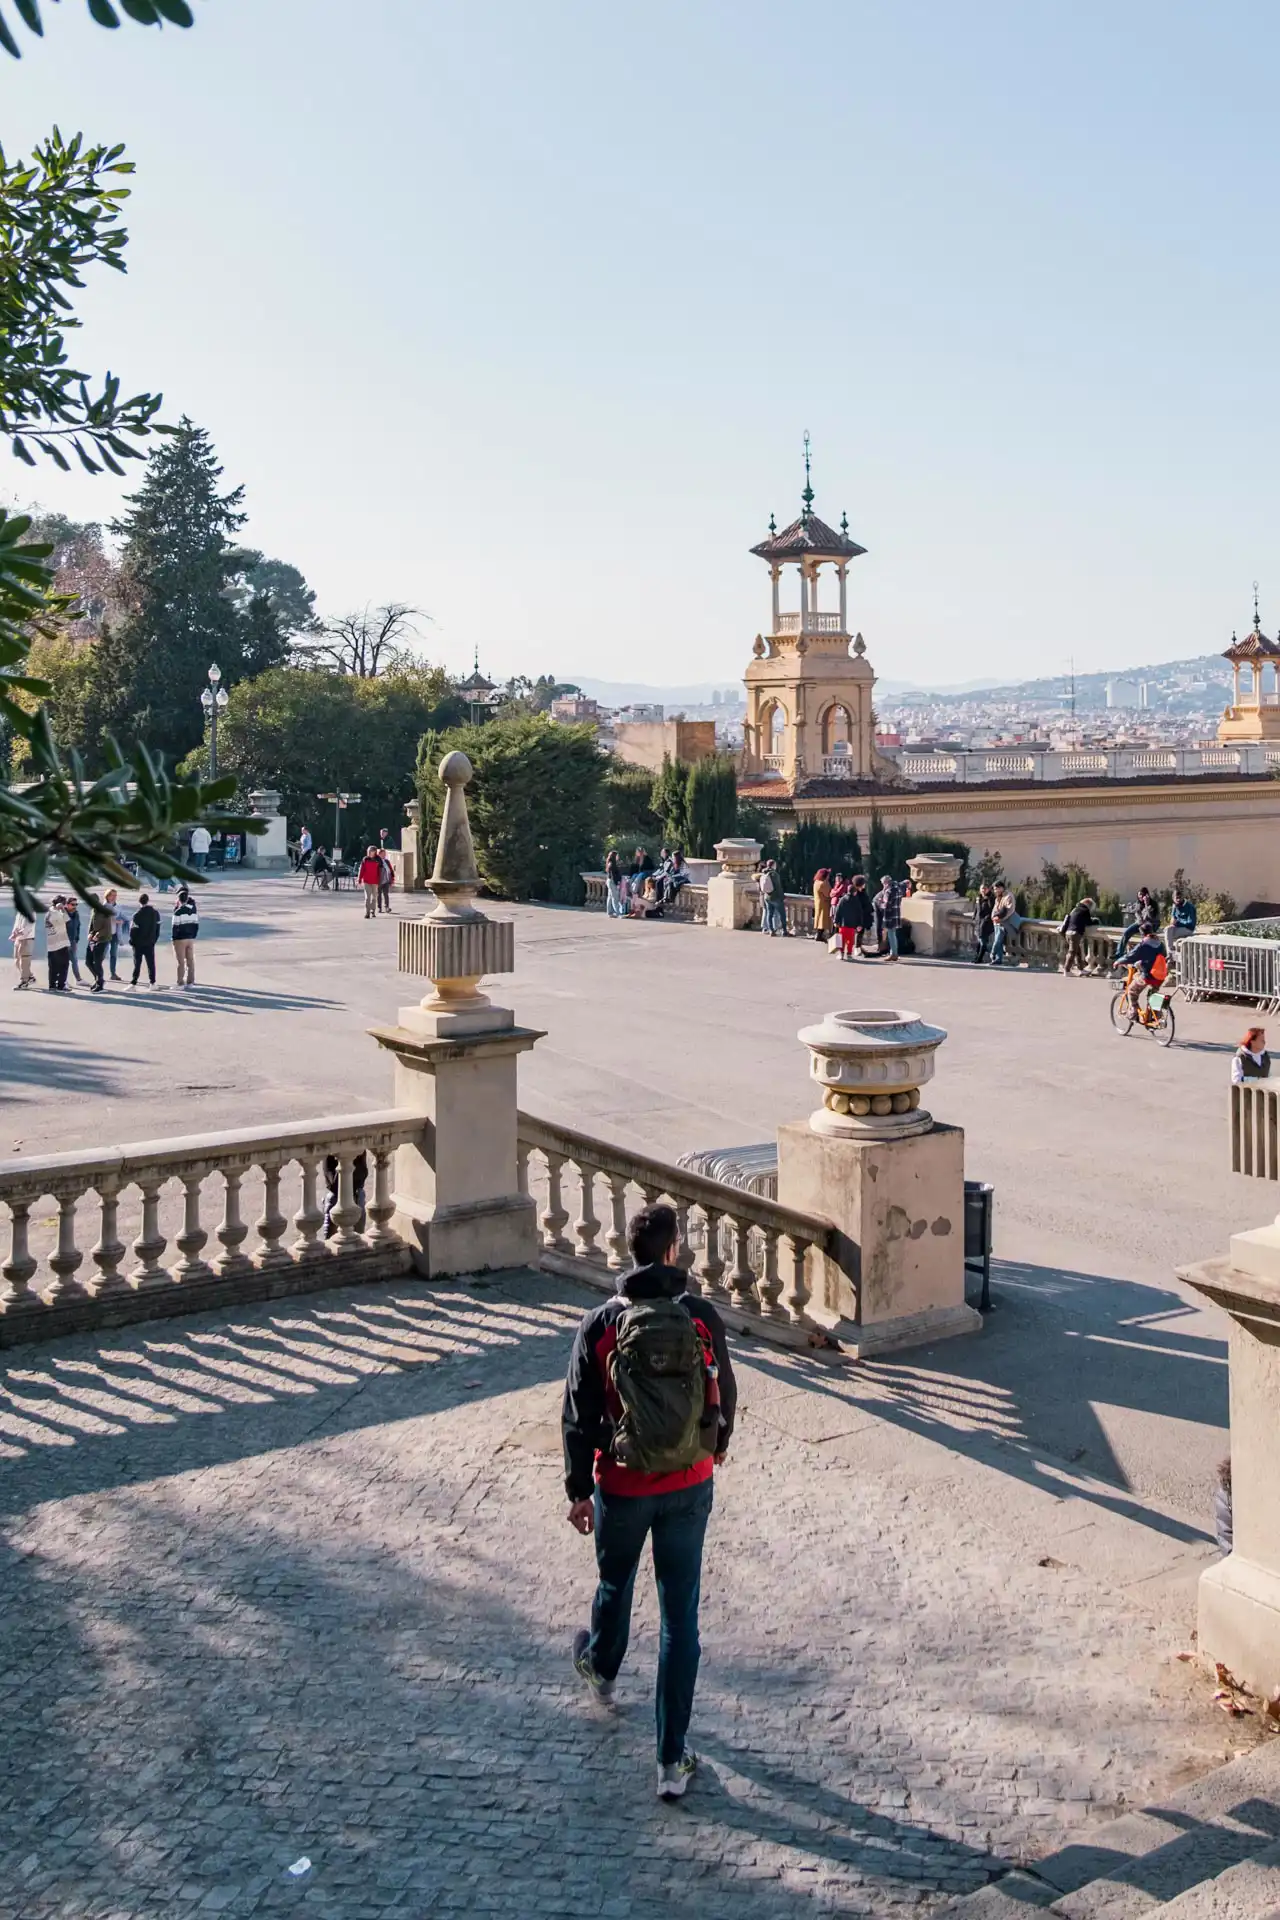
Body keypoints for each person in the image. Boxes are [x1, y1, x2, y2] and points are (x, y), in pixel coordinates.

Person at [562, 1201, 737, 1802]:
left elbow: (578, 1412)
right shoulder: (700, 1316)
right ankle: (670, 1759)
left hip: (622, 1483)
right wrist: (715, 1449)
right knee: (679, 1617)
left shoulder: (601, 1324)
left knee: (615, 1583)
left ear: (631, 1253)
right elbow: (724, 1391)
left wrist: (578, 1490)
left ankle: (602, 1671)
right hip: (688, 1482)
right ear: (672, 1252)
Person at [1122, 927, 1168, 1015]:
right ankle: (1155, 1014)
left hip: (1149, 975)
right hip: (1161, 975)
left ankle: (1133, 1010)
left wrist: (1119, 961)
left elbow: (1131, 956)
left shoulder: (1144, 944)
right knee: (1153, 994)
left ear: (1142, 934)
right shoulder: (1160, 944)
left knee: (1131, 990)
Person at [322, 1151, 368, 1237]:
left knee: (358, 1236)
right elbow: (333, 1183)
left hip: (356, 1195)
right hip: (336, 1197)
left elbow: (363, 1174)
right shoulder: (330, 1152)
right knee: (330, 1237)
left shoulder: (359, 1150)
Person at [128, 891, 161, 988]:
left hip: (138, 943)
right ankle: (152, 982)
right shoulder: (155, 913)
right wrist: (154, 939)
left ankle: (134, 982)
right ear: (148, 901)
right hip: (150, 942)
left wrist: (132, 941)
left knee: (137, 964)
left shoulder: (137, 915)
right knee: (151, 963)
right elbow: (158, 928)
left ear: (139, 902)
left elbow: (133, 930)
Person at [1116, 887, 1157, 960]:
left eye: (1141, 895)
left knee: (1145, 939)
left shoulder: (1153, 904)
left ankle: (1146, 955)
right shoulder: (1138, 904)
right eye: (1139, 895)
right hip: (1139, 923)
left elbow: (1150, 917)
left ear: (1146, 895)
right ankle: (1119, 953)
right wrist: (1124, 906)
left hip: (1150, 924)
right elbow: (1132, 909)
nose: (1140, 896)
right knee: (1126, 933)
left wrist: (1146, 904)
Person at [171, 886, 199, 987]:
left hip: (180, 939)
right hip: (190, 938)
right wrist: (193, 935)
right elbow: (196, 925)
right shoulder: (193, 909)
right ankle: (190, 981)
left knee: (181, 962)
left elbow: (175, 927)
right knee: (190, 960)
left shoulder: (178, 912)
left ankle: (180, 982)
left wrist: (174, 938)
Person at [1061, 896, 1095, 975]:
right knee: (1072, 952)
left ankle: (1081, 969)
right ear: (1088, 904)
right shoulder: (1085, 910)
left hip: (1068, 932)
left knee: (1078, 952)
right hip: (1075, 933)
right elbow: (1089, 922)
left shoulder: (1075, 909)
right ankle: (1067, 970)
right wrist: (1095, 920)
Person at [86, 899, 114, 992]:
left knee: (97, 962)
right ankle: (99, 979)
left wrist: (97, 935)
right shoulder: (93, 910)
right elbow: (92, 924)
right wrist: (90, 933)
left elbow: (107, 928)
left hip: (102, 939)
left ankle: (100, 984)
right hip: (93, 939)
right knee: (88, 962)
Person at [44, 897, 71, 992]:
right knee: (64, 965)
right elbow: (67, 919)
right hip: (60, 943)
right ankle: (61, 985)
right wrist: (62, 909)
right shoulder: (56, 913)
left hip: (51, 944)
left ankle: (52, 985)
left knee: (53, 966)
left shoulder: (48, 913)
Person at [875, 874, 902, 960]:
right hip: (896, 914)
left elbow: (886, 906)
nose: (883, 886)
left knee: (891, 935)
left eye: (883, 884)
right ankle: (894, 952)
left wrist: (879, 902)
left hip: (890, 916)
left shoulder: (888, 891)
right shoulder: (898, 889)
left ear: (886, 883)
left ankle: (893, 953)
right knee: (893, 934)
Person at [991, 888, 1020, 966]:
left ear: (1001, 888)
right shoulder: (998, 897)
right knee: (998, 941)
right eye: (994, 889)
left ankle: (992, 953)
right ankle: (998, 958)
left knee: (997, 940)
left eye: (996, 889)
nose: (995, 891)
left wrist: (1000, 919)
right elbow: (995, 909)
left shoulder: (1008, 896)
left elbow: (1009, 910)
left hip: (1004, 922)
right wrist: (993, 917)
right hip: (997, 922)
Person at [105, 889, 128, 981]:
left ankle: (113, 973)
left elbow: (122, 916)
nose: (114, 897)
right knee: (102, 954)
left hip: (114, 934)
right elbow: (104, 918)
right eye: (112, 895)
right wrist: (116, 921)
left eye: (115, 895)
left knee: (113, 954)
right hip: (105, 933)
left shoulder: (118, 906)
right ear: (107, 896)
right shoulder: (104, 906)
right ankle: (97, 973)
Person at [9, 908, 35, 989]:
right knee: (17, 960)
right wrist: (14, 933)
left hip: (27, 938)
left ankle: (24, 982)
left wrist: (19, 933)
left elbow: (29, 926)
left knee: (24, 961)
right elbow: (16, 924)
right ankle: (30, 976)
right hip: (18, 938)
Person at [972, 884, 996, 964]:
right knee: (979, 941)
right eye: (982, 888)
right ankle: (977, 957)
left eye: (985, 888)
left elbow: (992, 909)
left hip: (986, 922)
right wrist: (974, 916)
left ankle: (979, 958)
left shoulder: (991, 898)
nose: (983, 890)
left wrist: (987, 919)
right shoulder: (978, 898)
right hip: (978, 922)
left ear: (988, 889)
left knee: (983, 941)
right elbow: (976, 908)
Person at [63, 896, 84, 986]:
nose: (75, 906)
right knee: (64, 962)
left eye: (76, 904)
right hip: (64, 942)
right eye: (73, 904)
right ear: (67, 905)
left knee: (74, 960)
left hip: (73, 941)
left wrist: (76, 938)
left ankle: (78, 979)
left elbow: (78, 926)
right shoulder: (63, 914)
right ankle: (63, 980)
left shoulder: (76, 914)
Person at [358, 846, 382, 919]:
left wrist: (380, 881)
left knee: (374, 897)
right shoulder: (365, 859)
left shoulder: (378, 860)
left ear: (375, 852)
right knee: (367, 897)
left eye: (372, 851)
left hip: (375, 881)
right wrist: (359, 879)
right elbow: (362, 869)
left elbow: (380, 871)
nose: (371, 853)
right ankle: (367, 912)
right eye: (370, 851)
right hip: (367, 881)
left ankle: (373, 910)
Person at [812, 868, 833, 942]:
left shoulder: (816, 882)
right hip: (824, 903)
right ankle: (819, 936)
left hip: (818, 903)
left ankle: (818, 935)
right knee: (823, 920)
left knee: (819, 919)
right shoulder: (823, 884)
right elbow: (828, 894)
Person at [604, 848, 625, 918]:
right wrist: (617, 883)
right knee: (615, 898)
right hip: (612, 881)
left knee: (610, 897)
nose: (618, 857)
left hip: (609, 881)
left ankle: (609, 912)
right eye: (617, 855)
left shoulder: (610, 863)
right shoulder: (612, 864)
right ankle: (618, 913)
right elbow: (613, 876)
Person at [377, 848, 394, 914]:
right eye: (383, 854)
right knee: (379, 895)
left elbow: (390, 870)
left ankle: (387, 907)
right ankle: (379, 908)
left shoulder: (387, 861)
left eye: (385, 854)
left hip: (386, 880)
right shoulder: (377, 861)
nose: (384, 855)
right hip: (379, 881)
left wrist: (392, 878)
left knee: (386, 894)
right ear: (379, 854)